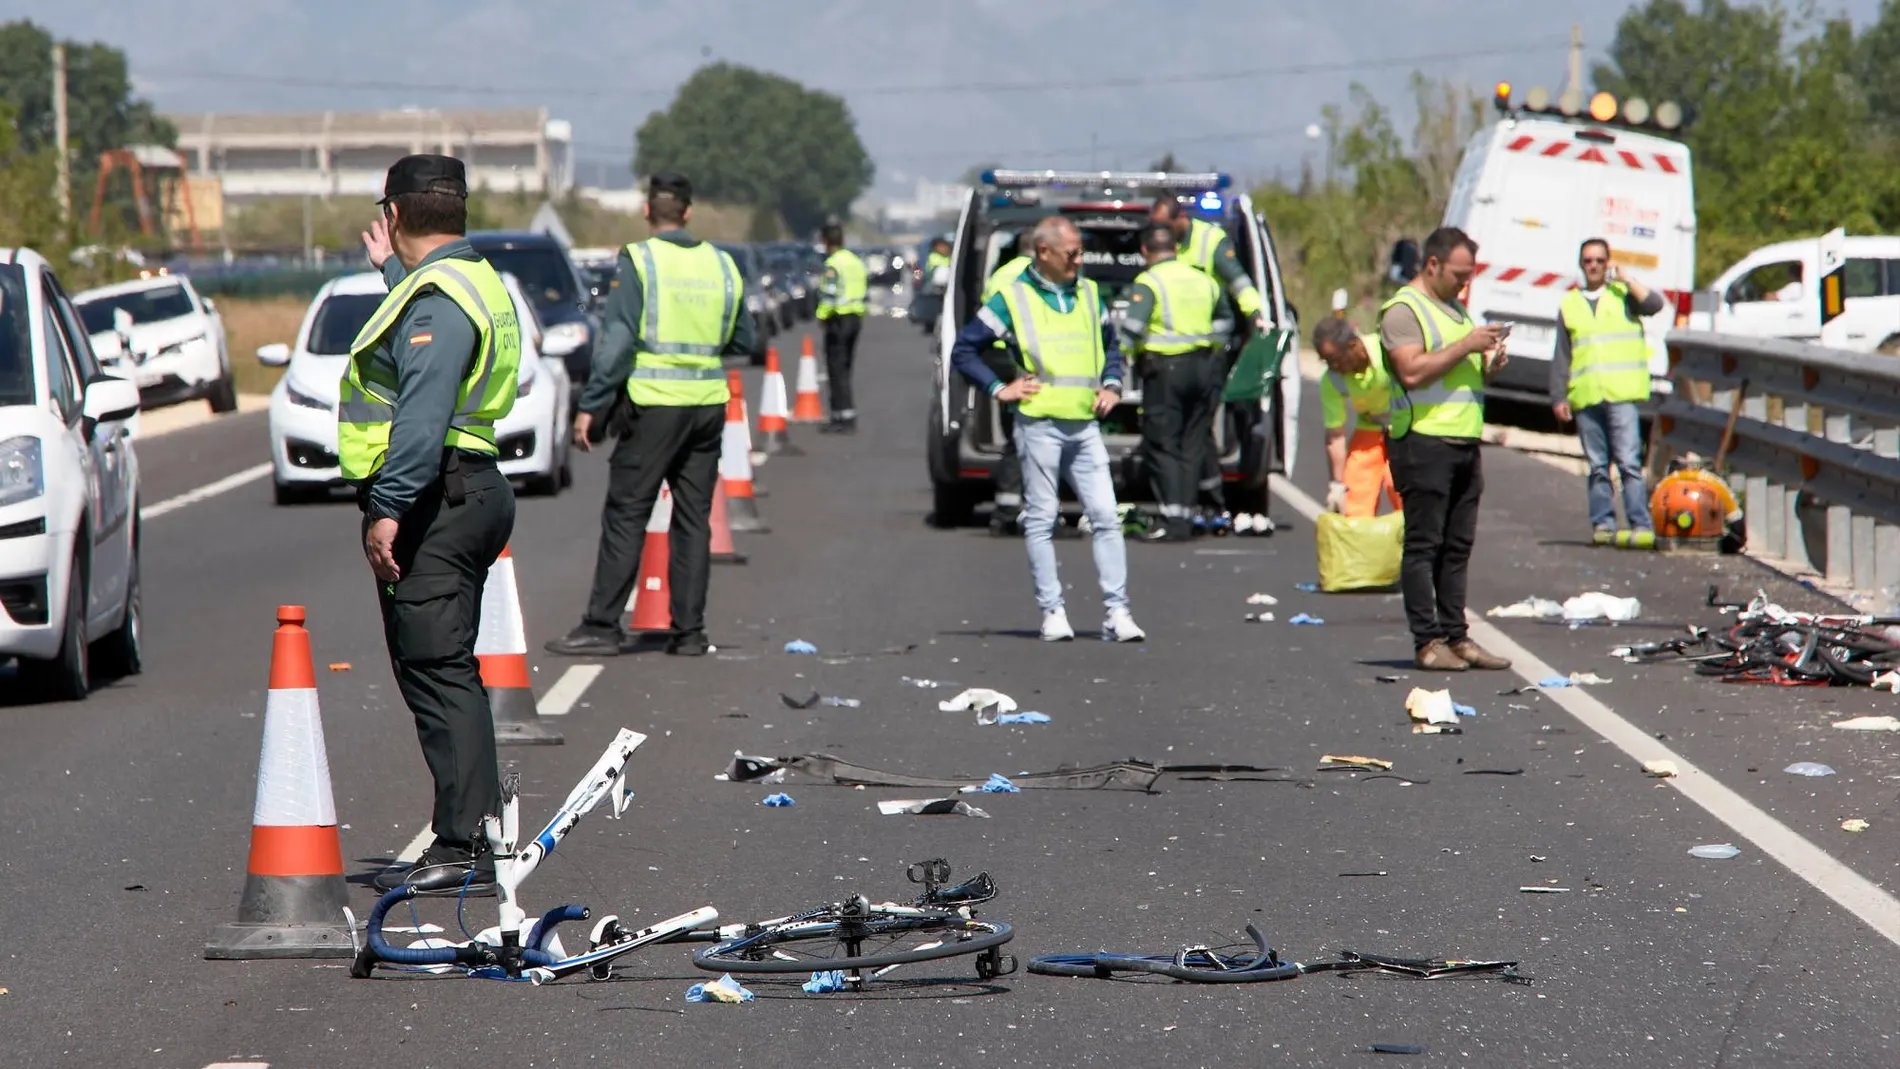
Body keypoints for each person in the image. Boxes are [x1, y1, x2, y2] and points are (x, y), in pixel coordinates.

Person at [341, 155, 521, 894]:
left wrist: (388, 507)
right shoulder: (463, 278)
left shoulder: (441, 296)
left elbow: (420, 413)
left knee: (438, 670)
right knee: (447, 667)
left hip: (437, 496)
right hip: (469, 486)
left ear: (393, 211)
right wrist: (392, 271)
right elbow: (427, 332)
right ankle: (473, 828)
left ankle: (465, 841)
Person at [544, 172, 754, 659]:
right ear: (688, 212)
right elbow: (744, 338)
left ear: (646, 211)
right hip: (705, 406)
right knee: (693, 519)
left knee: (627, 514)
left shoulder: (640, 260)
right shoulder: (722, 264)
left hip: (655, 405)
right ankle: (690, 633)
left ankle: (601, 626)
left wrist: (592, 406)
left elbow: (616, 343)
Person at [948, 216, 1146, 643]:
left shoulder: (1091, 294)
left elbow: (1111, 347)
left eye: (1080, 251)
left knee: (1107, 517)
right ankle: (1053, 611)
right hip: (1039, 424)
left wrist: (1112, 384)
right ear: (1043, 252)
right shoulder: (1012, 299)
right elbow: (964, 349)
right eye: (1071, 252)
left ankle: (1117, 611)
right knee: (1041, 519)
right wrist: (1000, 388)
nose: (1079, 260)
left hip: (1085, 425)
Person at [1379, 226, 1511, 673]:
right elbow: (1412, 372)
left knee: (1457, 546)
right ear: (1432, 264)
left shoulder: (1456, 310)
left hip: (1462, 441)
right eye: (1458, 274)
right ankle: (1427, 640)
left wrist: (1488, 363)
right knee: (1424, 546)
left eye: (1469, 275)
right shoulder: (1403, 311)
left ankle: (1457, 637)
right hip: (1422, 441)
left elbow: (1459, 373)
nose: (1464, 283)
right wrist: (1467, 345)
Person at [1151, 196, 1267, 527]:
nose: (1159, 232)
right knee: (1189, 431)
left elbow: (1239, 281)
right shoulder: (1165, 245)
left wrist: (1256, 315)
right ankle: (1198, 500)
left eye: (1164, 225)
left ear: (1180, 218)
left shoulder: (1209, 241)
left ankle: (1210, 502)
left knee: (1198, 428)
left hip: (1209, 349)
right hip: (1172, 350)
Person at [1550, 238, 1664, 548]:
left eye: (1600, 260)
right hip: (1587, 395)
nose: (1594, 266)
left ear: (1608, 262)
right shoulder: (1570, 303)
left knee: (1628, 462)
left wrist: (1626, 277)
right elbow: (1562, 354)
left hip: (1621, 393)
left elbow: (1655, 305)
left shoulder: (1623, 295)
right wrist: (1559, 396)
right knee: (1598, 466)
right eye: (1588, 261)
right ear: (1581, 264)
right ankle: (1603, 523)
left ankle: (1640, 523)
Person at [1120, 223, 1229, 541]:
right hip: (1203, 367)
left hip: (1165, 370)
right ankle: (1187, 512)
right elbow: (1225, 321)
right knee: (1193, 441)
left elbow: (1132, 328)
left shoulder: (1149, 281)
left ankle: (1173, 518)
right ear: (1177, 249)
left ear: (1145, 251)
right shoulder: (1204, 279)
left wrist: (1116, 364)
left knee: (1162, 442)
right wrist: (1213, 350)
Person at [1313, 316, 1399, 516]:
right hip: (1370, 427)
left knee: (1401, 488)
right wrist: (1336, 485)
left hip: (1404, 427)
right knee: (1354, 496)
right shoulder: (1333, 380)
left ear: (1353, 346)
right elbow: (1335, 435)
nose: (1331, 367)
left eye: (1334, 359)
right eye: (1325, 361)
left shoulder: (1386, 350)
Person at [981, 245, 1034, 535]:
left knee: (1013, 432)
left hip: (997, 357)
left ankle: (1008, 505)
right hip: (1020, 358)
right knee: (1026, 435)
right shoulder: (1035, 275)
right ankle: (1012, 509)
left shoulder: (1001, 274)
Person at [816, 225, 868, 433]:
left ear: (827, 241)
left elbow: (829, 295)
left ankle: (842, 416)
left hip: (838, 318)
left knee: (836, 369)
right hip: (855, 316)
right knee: (846, 367)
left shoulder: (833, 264)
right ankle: (845, 413)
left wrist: (821, 316)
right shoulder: (855, 262)